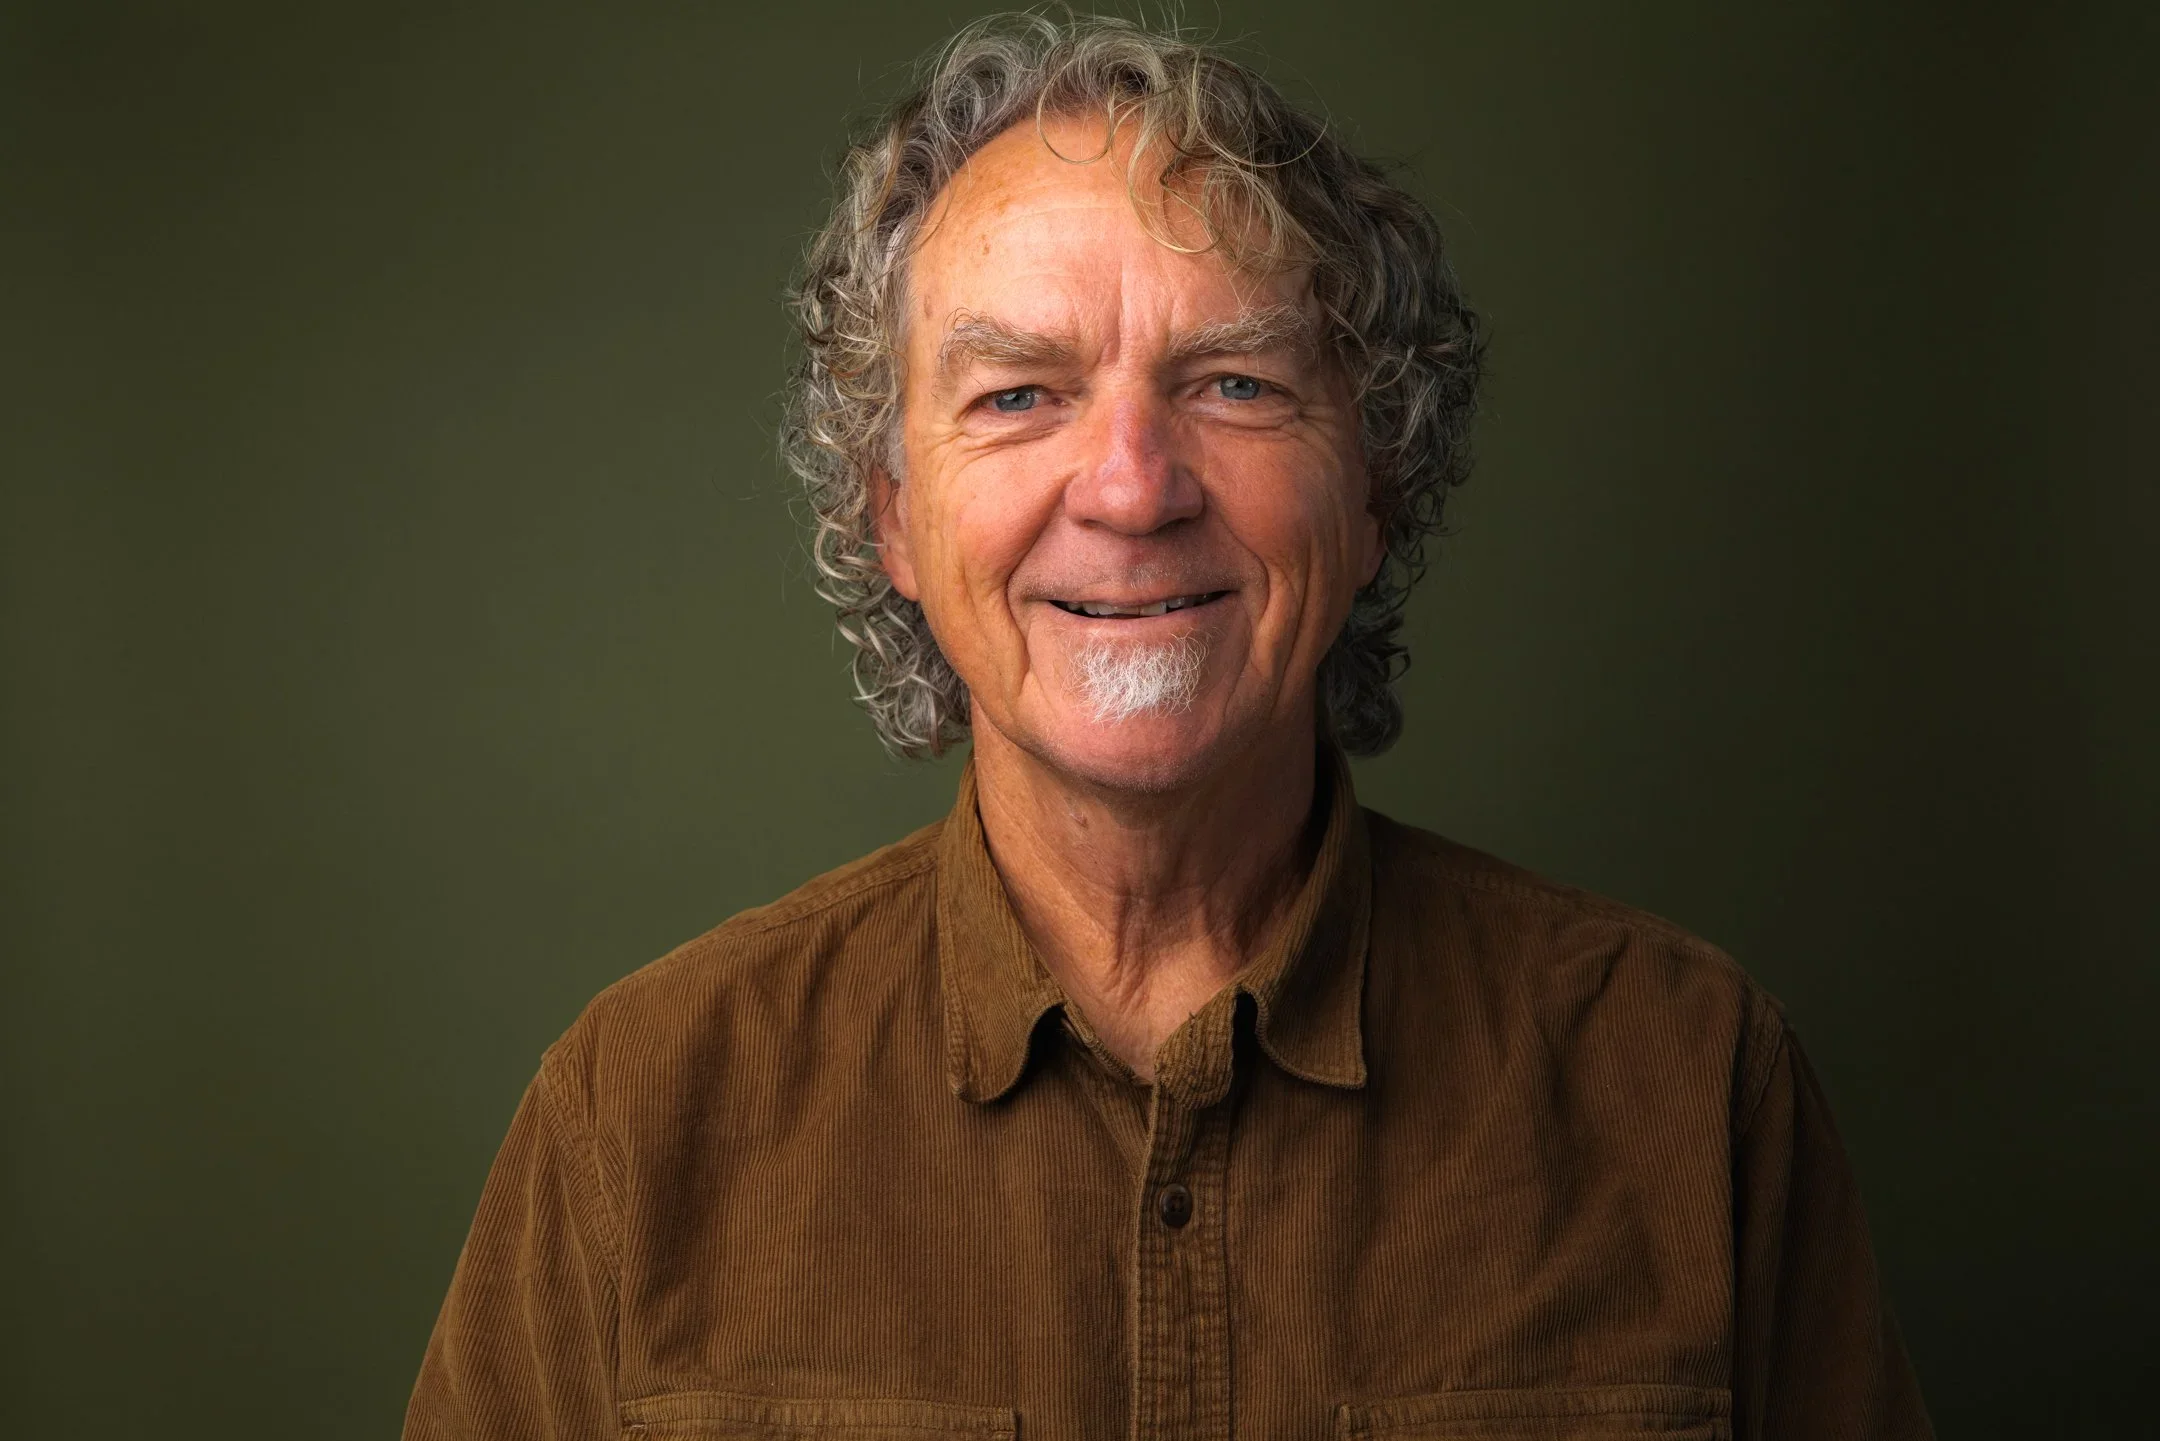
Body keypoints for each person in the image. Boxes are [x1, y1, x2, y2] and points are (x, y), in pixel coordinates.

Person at [404, 14, 1933, 1441]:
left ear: (1375, 484)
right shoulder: (633, 1122)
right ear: (892, 517)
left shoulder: (1689, 1085)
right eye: (1018, 396)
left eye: (1236, 383)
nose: (1134, 488)